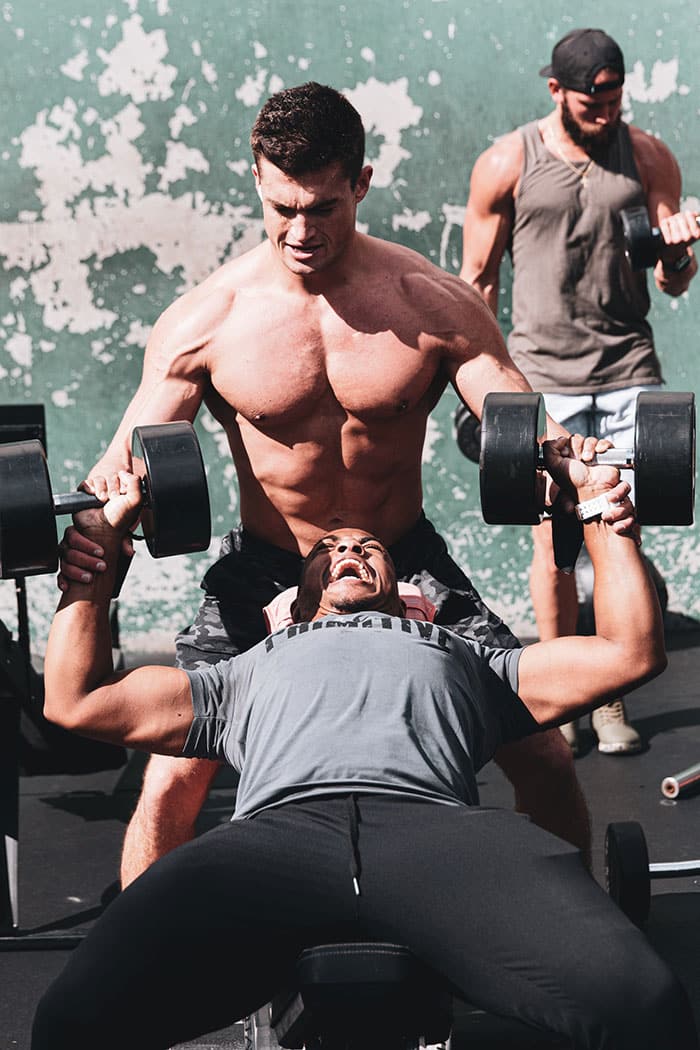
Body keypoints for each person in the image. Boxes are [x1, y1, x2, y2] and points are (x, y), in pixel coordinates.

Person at [60, 82, 633, 885]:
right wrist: (102, 516)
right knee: (172, 777)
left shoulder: (435, 306)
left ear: (360, 183)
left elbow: (525, 424)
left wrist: (580, 466)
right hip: (266, 559)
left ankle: (577, 933)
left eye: (323, 207)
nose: (300, 231)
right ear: (257, 179)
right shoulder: (208, 320)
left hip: (403, 558)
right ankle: (136, 975)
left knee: (539, 751)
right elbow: (120, 467)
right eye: (281, 206)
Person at [33, 440, 699, 1050]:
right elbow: (76, 699)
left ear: (415, 598)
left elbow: (630, 652)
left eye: (368, 548)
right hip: (272, 846)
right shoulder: (239, 673)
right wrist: (94, 551)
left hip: (440, 839)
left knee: (646, 1003)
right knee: (71, 1022)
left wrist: (600, 508)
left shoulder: (473, 660)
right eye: (328, 551)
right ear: (294, 604)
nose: (349, 550)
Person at [460, 28, 699, 756]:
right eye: (591, 98)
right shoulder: (507, 162)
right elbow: (478, 284)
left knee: (616, 533)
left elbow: (672, 277)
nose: (605, 109)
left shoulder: (649, 155)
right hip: (542, 378)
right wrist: (492, 390)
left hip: (627, 369)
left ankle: (609, 701)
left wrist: (681, 253)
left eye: (615, 96)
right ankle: (560, 700)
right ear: (556, 90)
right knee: (556, 541)